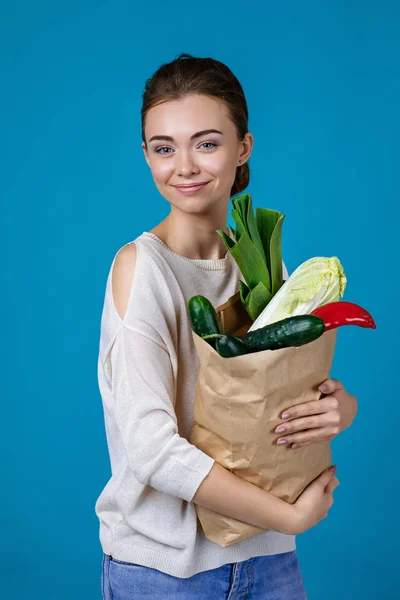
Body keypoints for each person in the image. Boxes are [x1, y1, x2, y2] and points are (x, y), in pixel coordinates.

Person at [96, 53, 358, 599]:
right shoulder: (141, 269)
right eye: (163, 148)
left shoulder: (262, 264)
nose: (184, 166)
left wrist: (338, 407)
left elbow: (273, 398)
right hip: (166, 574)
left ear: (243, 148)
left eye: (207, 142)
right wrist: (288, 518)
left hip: (268, 563)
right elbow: (152, 449)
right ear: (146, 155)